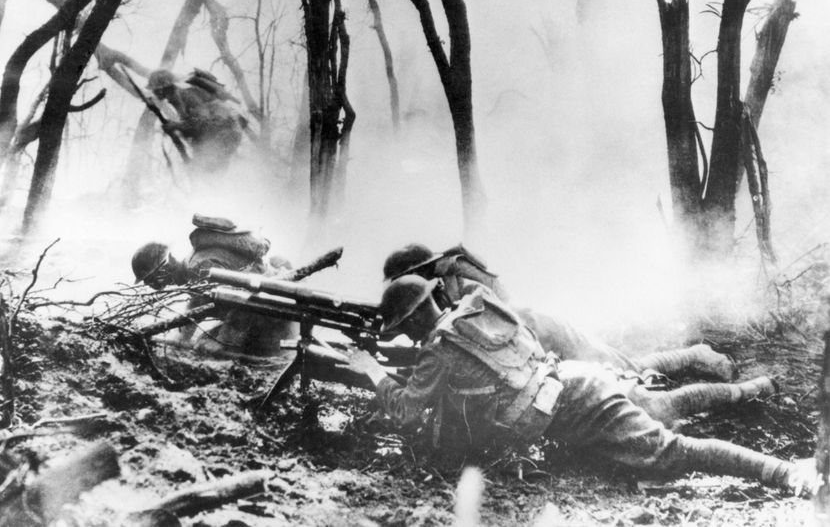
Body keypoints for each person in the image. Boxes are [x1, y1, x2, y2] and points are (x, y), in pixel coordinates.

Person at [346, 276, 815, 494]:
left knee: (667, 450)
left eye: (403, 328)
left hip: (573, 403)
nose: (405, 336)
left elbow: (408, 413)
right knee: (658, 422)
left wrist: (369, 369)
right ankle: (754, 395)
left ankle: (788, 473)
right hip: (568, 388)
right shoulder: (472, 314)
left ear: (411, 321)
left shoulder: (439, 349)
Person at [382, 243, 736, 382]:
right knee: (621, 370)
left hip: (541, 330)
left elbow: (500, 303)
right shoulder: (434, 294)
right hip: (527, 348)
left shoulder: (455, 272)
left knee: (624, 369)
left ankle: (697, 355)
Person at [131, 214, 294, 354]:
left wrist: (222, 341)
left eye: (152, 280)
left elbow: (243, 299)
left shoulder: (199, 268)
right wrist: (182, 337)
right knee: (201, 344)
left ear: (164, 267)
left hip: (274, 317)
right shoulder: (193, 267)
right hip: (266, 312)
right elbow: (198, 303)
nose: (155, 286)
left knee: (207, 349)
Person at [147, 68, 245, 175]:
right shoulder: (178, 97)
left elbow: (200, 122)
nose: (154, 93)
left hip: (224, 132)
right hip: (222, 133)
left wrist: (175, 126)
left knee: (206, 173)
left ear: (162, 89)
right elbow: (195, 126)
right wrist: (175, 128)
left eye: (155, 90)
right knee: (205, 173)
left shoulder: (186, 94)